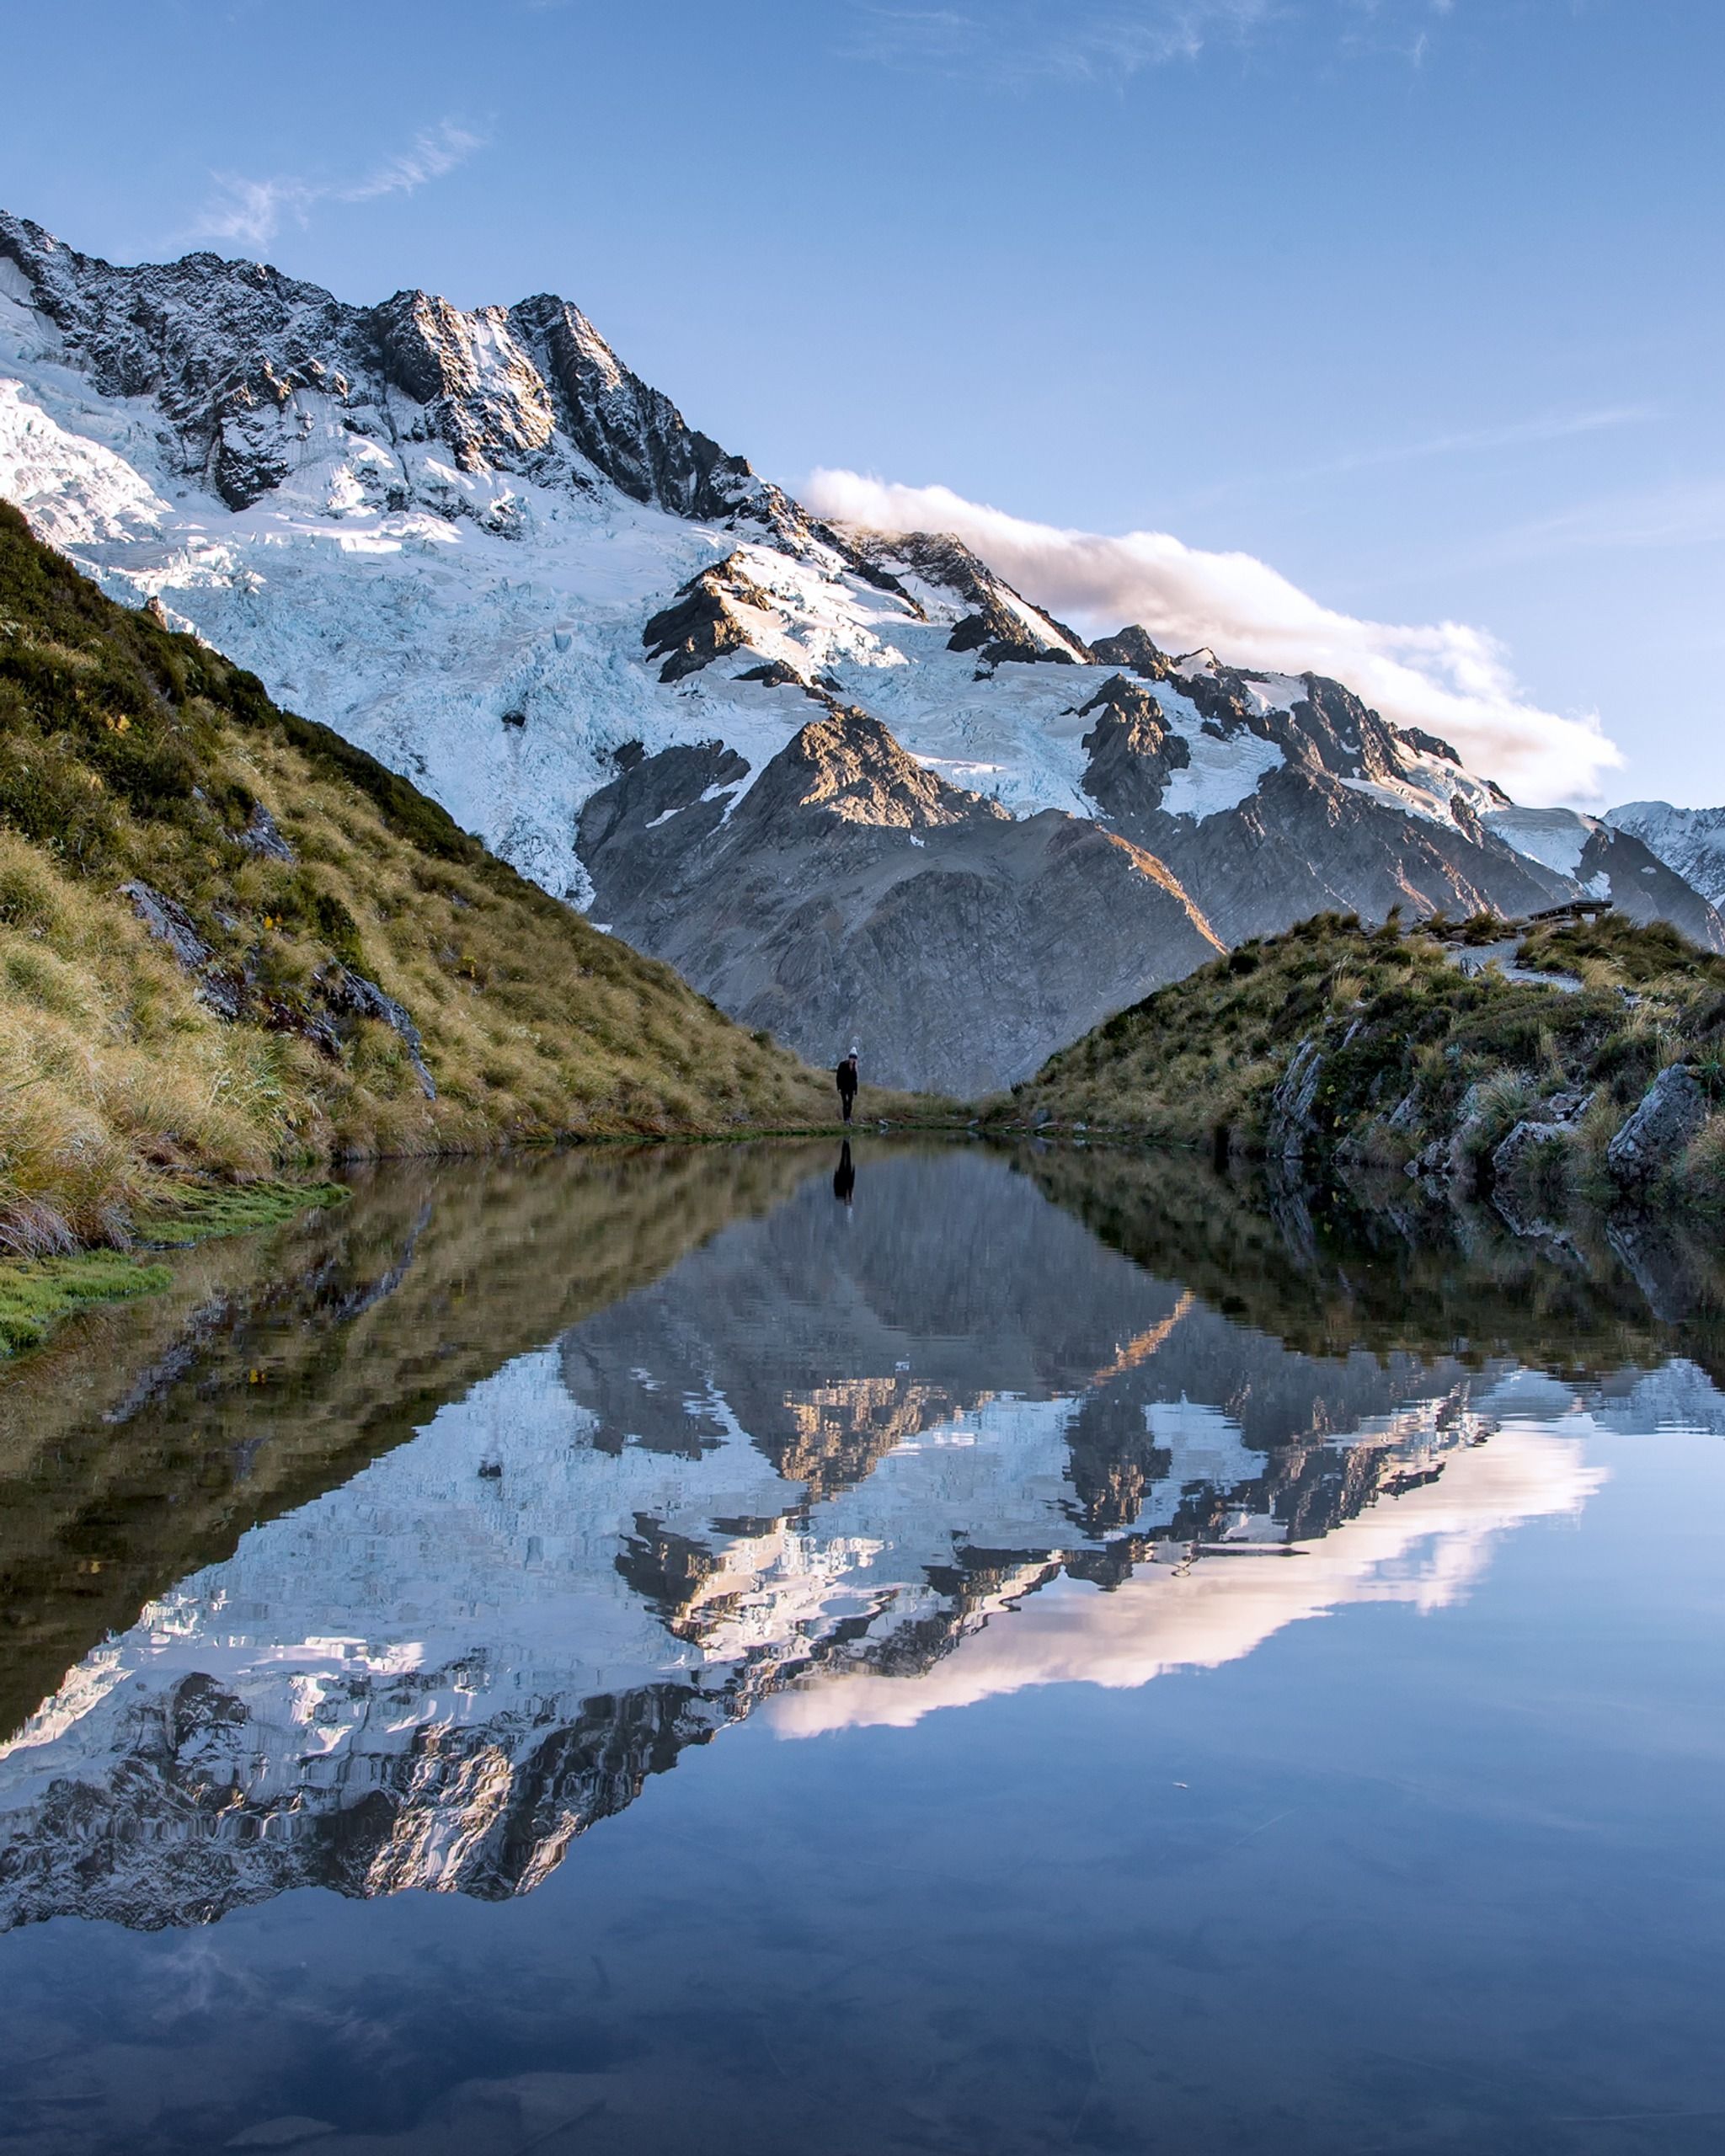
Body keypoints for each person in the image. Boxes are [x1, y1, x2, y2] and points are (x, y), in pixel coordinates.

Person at [835, 1050, 859, 1123]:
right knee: (845, 1102)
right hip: (843, 1086)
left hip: (851, 1088)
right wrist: (838, 1087)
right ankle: (845, 1119)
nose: (853, 1059)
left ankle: (848, 1117)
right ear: (849, 1058)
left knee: (850, 1102)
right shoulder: (842, 1064)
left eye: (854, 1058)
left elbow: (855, 1079)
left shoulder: (855, 1067)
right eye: (851, 1058)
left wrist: (856, 1089)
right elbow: (838, 1076)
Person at [832, 1139, 855, 1207]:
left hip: (842, 1175)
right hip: (848, 1174)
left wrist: (836, 1174)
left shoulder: (839, 1194)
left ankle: (846, 1142)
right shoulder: (849, 1192)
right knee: (847, 1157)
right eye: (850, 1199)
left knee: (843, 1158)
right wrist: (853, 1171)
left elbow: (835, 1184)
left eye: (849, 1200)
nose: (849, 1198)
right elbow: (852, 1183)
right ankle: (846, 1143)